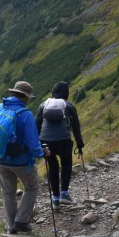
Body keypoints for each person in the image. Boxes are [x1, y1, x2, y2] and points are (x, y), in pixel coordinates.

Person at [0, 80, 49, 234]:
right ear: (25, 97)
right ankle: (21, 221)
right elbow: (33, 144)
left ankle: (10, 226)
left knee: (8, 192)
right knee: (32, 187)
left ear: (13, 93)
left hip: (0, 159)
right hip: (21, 161)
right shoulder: (25, 114)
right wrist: (43, 153)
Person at [35, 81, 85, 209]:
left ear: (53, 92)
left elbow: (37, 126)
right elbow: (76, 126)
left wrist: (38, 143)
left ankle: (55, 199)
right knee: (66, 164)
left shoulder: (43, 105)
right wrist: (79, 143)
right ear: (66, 93)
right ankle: (64, 194)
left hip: (46, 141)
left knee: (52, 166)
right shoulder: (69, 106)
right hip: (63, 140)